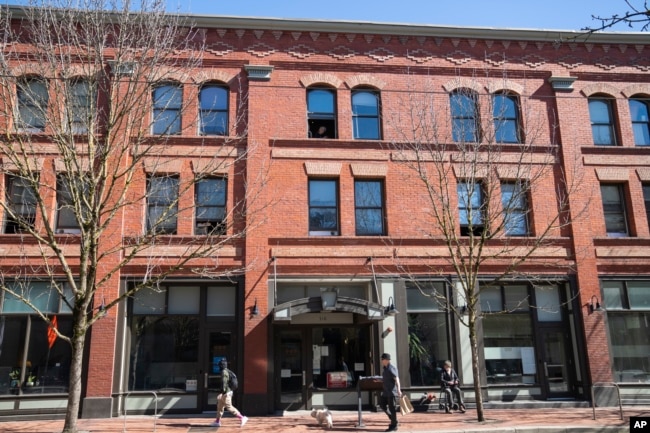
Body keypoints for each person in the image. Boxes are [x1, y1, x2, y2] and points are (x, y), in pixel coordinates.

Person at [210, 358, 248, 427]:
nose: (219, 366)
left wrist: (221, 393)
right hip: (227, 392)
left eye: (219, 365)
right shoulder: (227, 371)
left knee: (229, 406)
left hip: (226, 393)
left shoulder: (224, 372)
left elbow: (224, 383)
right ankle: (217, 421)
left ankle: (242, 418)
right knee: (220, 406)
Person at [380, 353, 401, 432]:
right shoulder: (385, 368)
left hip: (392, 392)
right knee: (382, 405)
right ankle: (393, 419)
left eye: (382, 359)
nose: (381, 360)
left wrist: (399, 389)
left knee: (392, 409)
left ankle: (394, 425)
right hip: (385, 392)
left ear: (386, 360)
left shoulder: (391, 368)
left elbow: (397, 379)